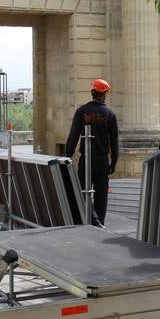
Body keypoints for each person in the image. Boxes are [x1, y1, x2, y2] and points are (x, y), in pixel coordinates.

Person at [64, 78, 119, 227]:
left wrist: (66, 157)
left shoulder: (82, 111)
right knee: (101, 195)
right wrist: (113, 161)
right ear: (105, 94)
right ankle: (98, 222)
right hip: (102, 160)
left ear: (92, 92)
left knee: (82, 192)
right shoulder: (110, 114)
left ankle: (91, 220)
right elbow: (114, 141)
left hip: (86, 159)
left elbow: (73, 136)